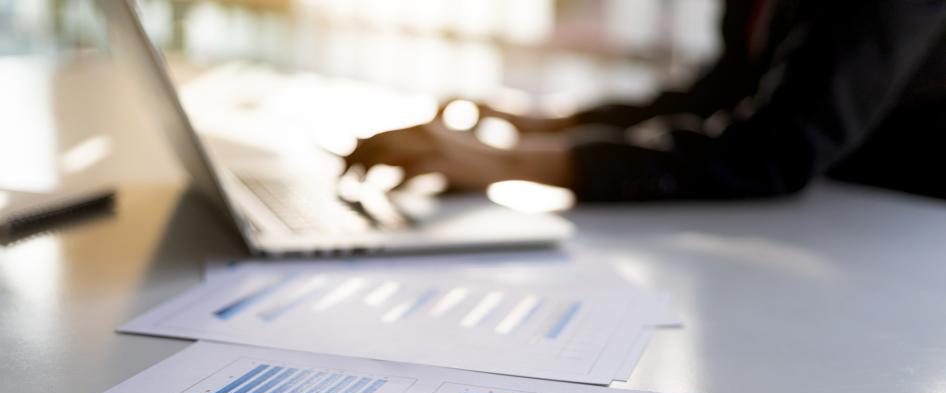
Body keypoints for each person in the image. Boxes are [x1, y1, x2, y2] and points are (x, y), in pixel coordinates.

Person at [346, 0, 946, 201]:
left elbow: (777, 148)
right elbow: (719, 94)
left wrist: (511, 165)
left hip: (898, 239)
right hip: (818, 218)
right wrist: (545, 124)